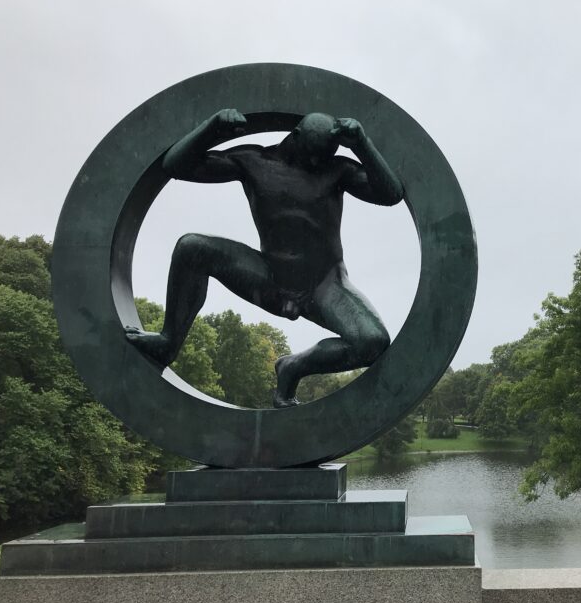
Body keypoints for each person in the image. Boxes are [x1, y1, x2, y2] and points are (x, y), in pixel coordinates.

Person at [124, 108, 404, 408]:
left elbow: (390, 194)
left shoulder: (337, 169)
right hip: (269, 276)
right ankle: (168, 341)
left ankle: (293, 367)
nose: (315, 163)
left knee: (372, 342)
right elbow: (176, 166)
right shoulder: (254, 161)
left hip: (325, 284)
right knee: (191, 247)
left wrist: (362, 143)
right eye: (311, 155)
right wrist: (211, 127)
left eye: (322, 157)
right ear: (295, 136)